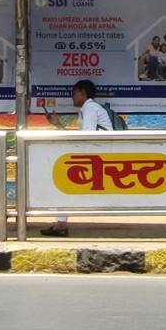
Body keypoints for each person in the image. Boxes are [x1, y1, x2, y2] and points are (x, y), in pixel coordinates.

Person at [41, 79, 113, 237]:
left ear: (82, 93)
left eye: (73, 94)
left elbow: (87, 136)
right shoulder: (89, 108)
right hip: (97, 156)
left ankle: (61, 224)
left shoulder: (90, 108)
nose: (72, 98)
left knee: (62, 180)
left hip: (99, 158)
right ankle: (61, 222)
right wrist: (58, 125)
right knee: (63, 181)